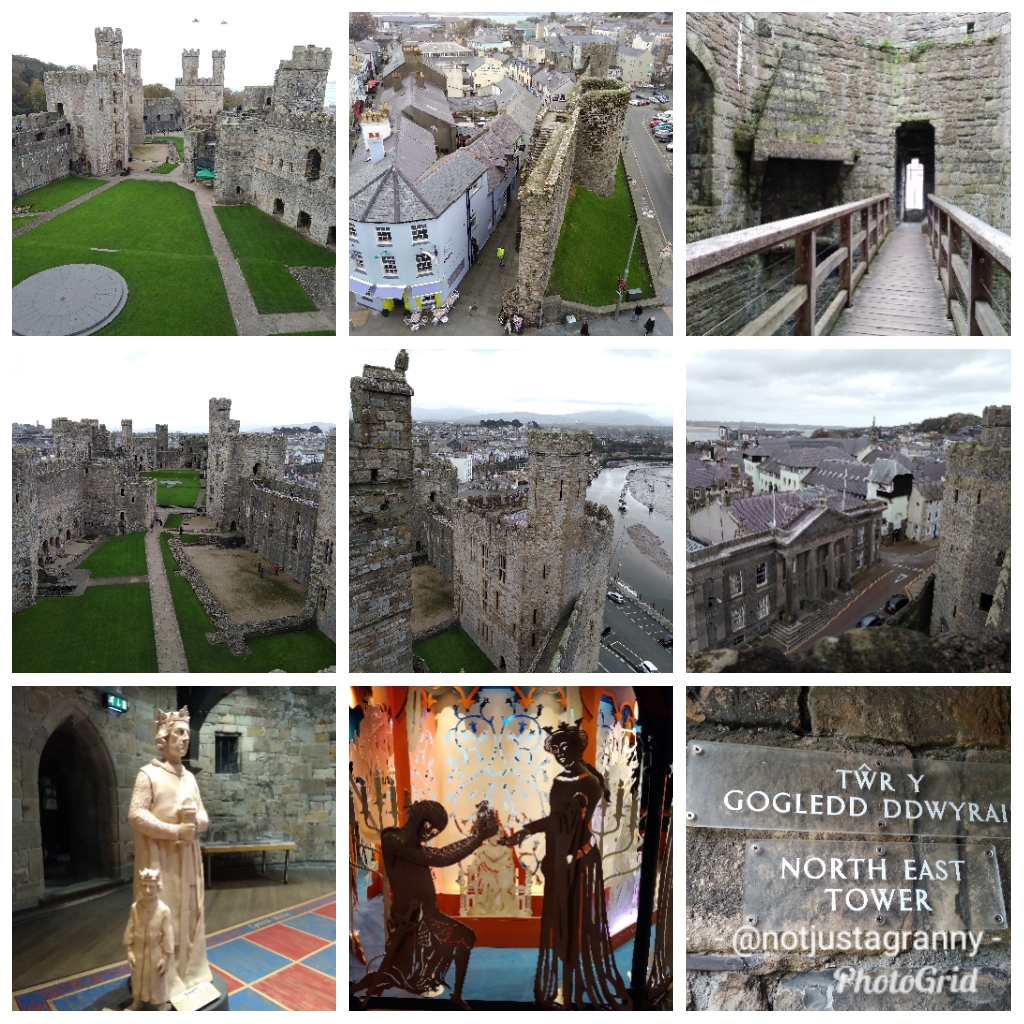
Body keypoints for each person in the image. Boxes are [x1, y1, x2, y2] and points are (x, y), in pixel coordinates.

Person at [499, 723, 631, 1009]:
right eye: (555, 749)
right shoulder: (561, 781)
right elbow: (557, 820)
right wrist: (527, 832)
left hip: (578, 862)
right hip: (558, 860)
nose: (560, 753)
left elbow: (568, 822)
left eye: (565, 747)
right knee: (560, 923)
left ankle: (573, 990)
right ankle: (568, 985)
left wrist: (527, 830)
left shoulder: (589, 784)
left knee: (576, 924)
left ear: (577, 747)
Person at [350, 801, 499, 1010]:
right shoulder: (392, 838)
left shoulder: (414, 847)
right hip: (408, 919)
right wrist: (476, 839)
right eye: (430, 828)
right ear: (420, 821)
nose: (430, 835)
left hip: (427, 914)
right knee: (392, 974)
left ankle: (453, 992)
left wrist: (476, 838)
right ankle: (351, 993)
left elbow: (437, 856)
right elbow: (441, 857)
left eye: (435, 832)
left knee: (466, 936)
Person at [127, 708, 213, 1001]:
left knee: (188, 913)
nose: (184, 738)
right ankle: (162, 978)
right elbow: (136, 815)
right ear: (164, 737)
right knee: (165, 914)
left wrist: (195, 824)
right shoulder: (148, 775)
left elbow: (203, 816)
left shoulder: (189, 778)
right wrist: (174, 830)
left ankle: (190, 971)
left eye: (187, 733)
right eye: (179, 732)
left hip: (187, 859)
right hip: (159, 861)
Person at [124, 867, 174, 1011]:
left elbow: (168, 935)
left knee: (157, 979)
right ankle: (137, 1001)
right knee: (137, 978)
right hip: (138, 951)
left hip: (156, 952)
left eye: (151, 886)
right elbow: (131, 928)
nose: (147, 890)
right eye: (144, 886)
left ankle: (161, 1005)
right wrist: (129, 951)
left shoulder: (164, 910)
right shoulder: (135, 908)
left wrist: (166, 958)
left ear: (157, 887)